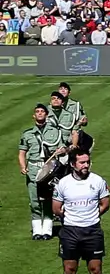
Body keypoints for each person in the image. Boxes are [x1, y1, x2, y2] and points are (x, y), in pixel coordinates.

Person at [53, 150, 110, 274]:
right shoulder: (63, 183)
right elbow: (56, 208)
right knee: (69, 270)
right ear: (72, 164)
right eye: (82, 162)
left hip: (92, 231)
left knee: (96, 269)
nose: (86, 165)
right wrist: (73, 219)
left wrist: (90, 217)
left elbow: (105, 204)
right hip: (70, 232)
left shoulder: (98, 181)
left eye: (87, 162)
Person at [19, 102, 64, 239]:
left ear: (46, 114)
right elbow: (22, 152)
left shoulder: (55, 131)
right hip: (33, 168)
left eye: (42, 111)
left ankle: (47, 230)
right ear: (34, 115)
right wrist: (22, 166)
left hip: (48, 169)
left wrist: (61, 151)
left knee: (47, 199)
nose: (39, 113)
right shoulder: (27, 134)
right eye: (37, 111)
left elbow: (62, 149)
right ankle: (37, 230)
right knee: (34, 200)